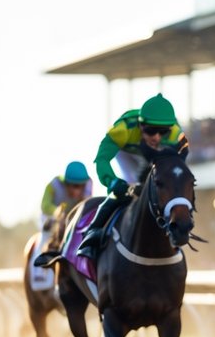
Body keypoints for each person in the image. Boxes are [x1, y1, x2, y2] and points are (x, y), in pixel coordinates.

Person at [77, 93, 187, 260]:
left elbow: (179, 167)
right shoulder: (123, 129)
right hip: (126, 154)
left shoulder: (176, 135)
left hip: (158, 155)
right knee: (127, 189)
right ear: (140, 125)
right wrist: (112, 181)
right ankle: (93, 233)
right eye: (151, 130)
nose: (157, 137)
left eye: (163, 132)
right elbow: (102, 159)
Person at [39, 161, 94, 242]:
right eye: (76, 186)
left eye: (83, 186)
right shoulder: (53, 185)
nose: (80, 191)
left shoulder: (88, 183)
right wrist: (58, 213)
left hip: (71, 222)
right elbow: (45, 206)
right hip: (51, 221)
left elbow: (88, 207)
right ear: (67, 183)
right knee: (48, 236)